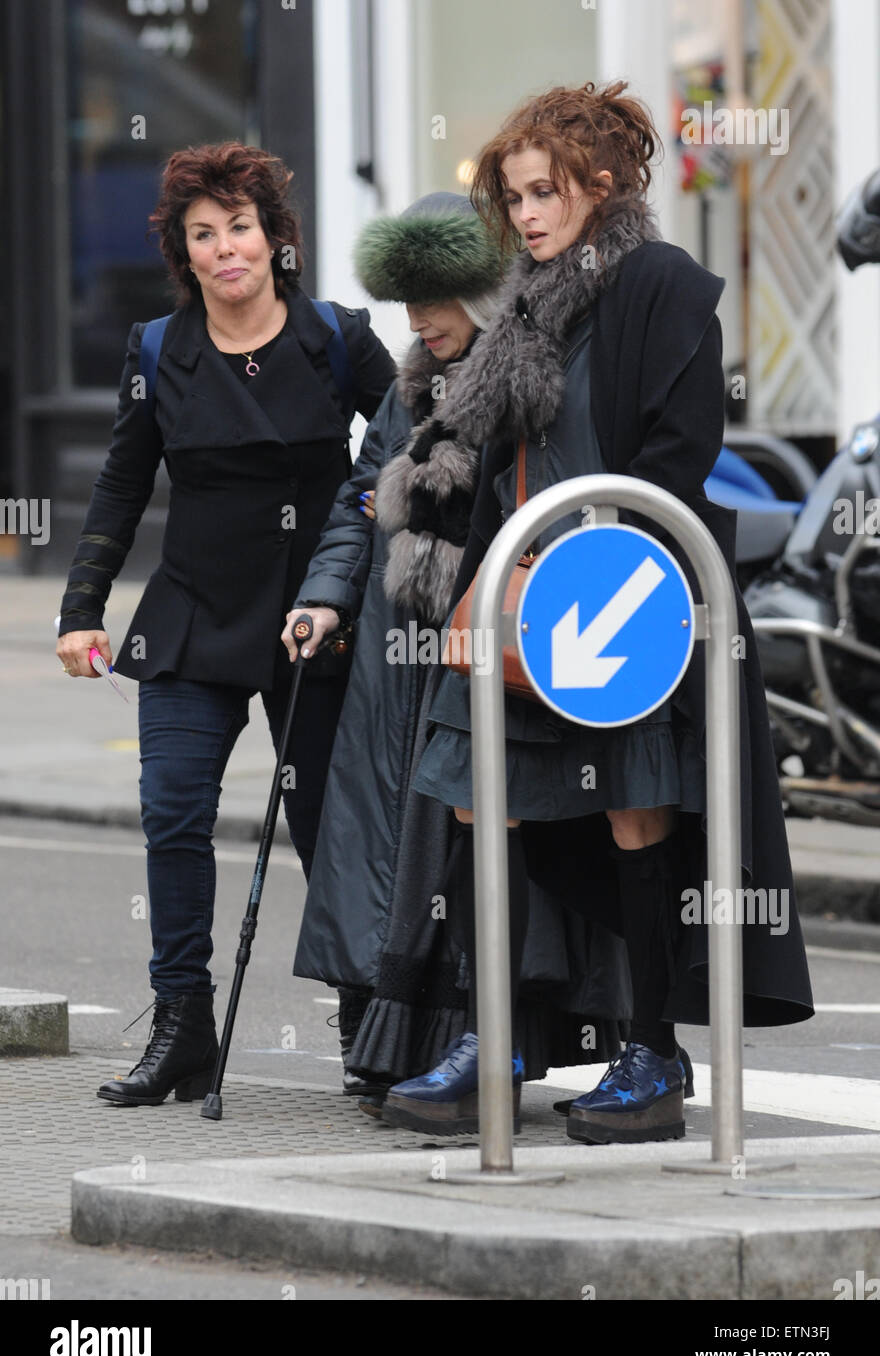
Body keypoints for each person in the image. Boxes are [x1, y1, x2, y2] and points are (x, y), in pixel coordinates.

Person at [372, 80, 814, 1142]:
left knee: (635, 815)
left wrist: (596, 570)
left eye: (542, 193)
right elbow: (490, 466)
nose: (522, 216)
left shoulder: (663, 284)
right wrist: (471, 574)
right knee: (483, 802)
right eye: (512, 197)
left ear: (599, 187)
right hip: (514, 593)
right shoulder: (517, 306)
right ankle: (502, 1033)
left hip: (627, 600)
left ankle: (651, 1055)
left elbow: (678, 457)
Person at [56, 142, 395, 1106]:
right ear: (185, 255)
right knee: (171, 812)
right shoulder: (159, 351)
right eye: (202, 235)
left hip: (313, 612)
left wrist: (368, 544)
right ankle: (182, 1029)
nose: (224, 249)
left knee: (334, 822)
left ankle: (369, 1020)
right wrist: (82, 610)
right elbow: (123, 484)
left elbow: (412, 445)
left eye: (239, 227)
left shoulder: (337, 337)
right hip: (194, 610)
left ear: (274, 237)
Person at [284, 193, 629, 1107]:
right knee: (402, 860)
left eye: (437, 299)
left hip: (483, 659)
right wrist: (323, 597)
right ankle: (397, 1045)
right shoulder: (409, 386)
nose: (421, 321)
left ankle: (484, 1048)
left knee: (467, 854)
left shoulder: (524, 377)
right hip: (393, 666)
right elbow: (361, 498)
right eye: (407, 303)